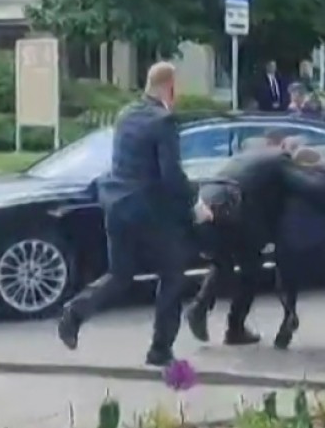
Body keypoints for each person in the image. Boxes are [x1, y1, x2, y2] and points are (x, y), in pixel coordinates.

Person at [57, 61, 212, 366]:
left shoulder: (126, 114)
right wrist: (196, 204)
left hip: (117, 206)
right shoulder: (164, 121)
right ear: (171, 87)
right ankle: (160, 349)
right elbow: (170, 176)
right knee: (172, 276)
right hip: (149, 211)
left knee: (120, 274)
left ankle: (74, 313)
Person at [184, 135, 298, 345]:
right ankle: (234, 327)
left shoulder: (248, 156)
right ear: (283, 147)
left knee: (223, 263)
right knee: (251, 269)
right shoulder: (281, 160)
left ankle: (200, 310)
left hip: (208, 203)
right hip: (232, 208)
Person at [272, 146, 325, 349]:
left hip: (290, 241)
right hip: (324, 241)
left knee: (287, 284)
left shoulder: (286, 181)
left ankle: (289, 314)